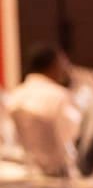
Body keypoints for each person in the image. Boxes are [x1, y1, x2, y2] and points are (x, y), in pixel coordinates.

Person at [7, 44, 80, 176]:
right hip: (59, 175)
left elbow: (11, 140)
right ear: (53, 65)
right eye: (62, 63)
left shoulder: (15, 96)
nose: (65, 69)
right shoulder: (59, 96)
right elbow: (74, 137)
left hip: (28, 173)